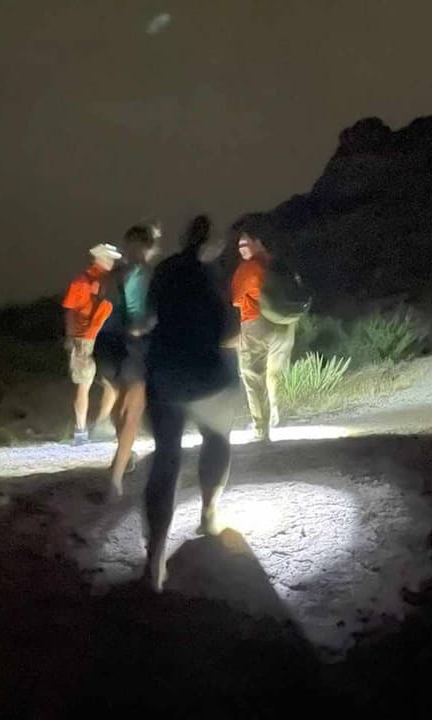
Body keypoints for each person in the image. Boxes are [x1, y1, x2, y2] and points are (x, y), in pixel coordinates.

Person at [142, 215, 241, 592]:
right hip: (208, 376)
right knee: (216, 439)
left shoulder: (165, 270)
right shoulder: (214, 273)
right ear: (212, 242)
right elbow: (230, 330)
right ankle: (209, 514)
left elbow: (148, 317)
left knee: (166, 458)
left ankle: (155, 559)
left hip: (164, 374)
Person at [94, 224, 161, 498]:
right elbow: (151, 314)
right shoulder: (140, 274)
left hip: (118, 346)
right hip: (131, 346)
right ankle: (117, 474)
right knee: (127, 410)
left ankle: (118, 470)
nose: (131, 251)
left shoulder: (120, 275)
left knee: (126, 409)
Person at [230, 223, 296, 441]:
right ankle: (276, 416)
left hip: (257, 323)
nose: (241, 248)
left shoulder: (248, 268)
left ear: (258, 241)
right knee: (274, 374)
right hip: (285, 324)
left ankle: (261, 430)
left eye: (245, 243)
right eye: (239, 245)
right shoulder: (277, 264)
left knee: (253, 375)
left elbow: (235, 299)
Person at [61, 243, 122, 446]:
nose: (112, 261)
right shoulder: (83, 282)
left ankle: (96, 426)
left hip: (98, 338)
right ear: (99, 258)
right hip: (85, 339)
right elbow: (70, 311)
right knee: (86, 384)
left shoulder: (107, 281)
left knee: (107, 383)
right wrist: (71, 337)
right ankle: (83, 431)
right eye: (109, 257)